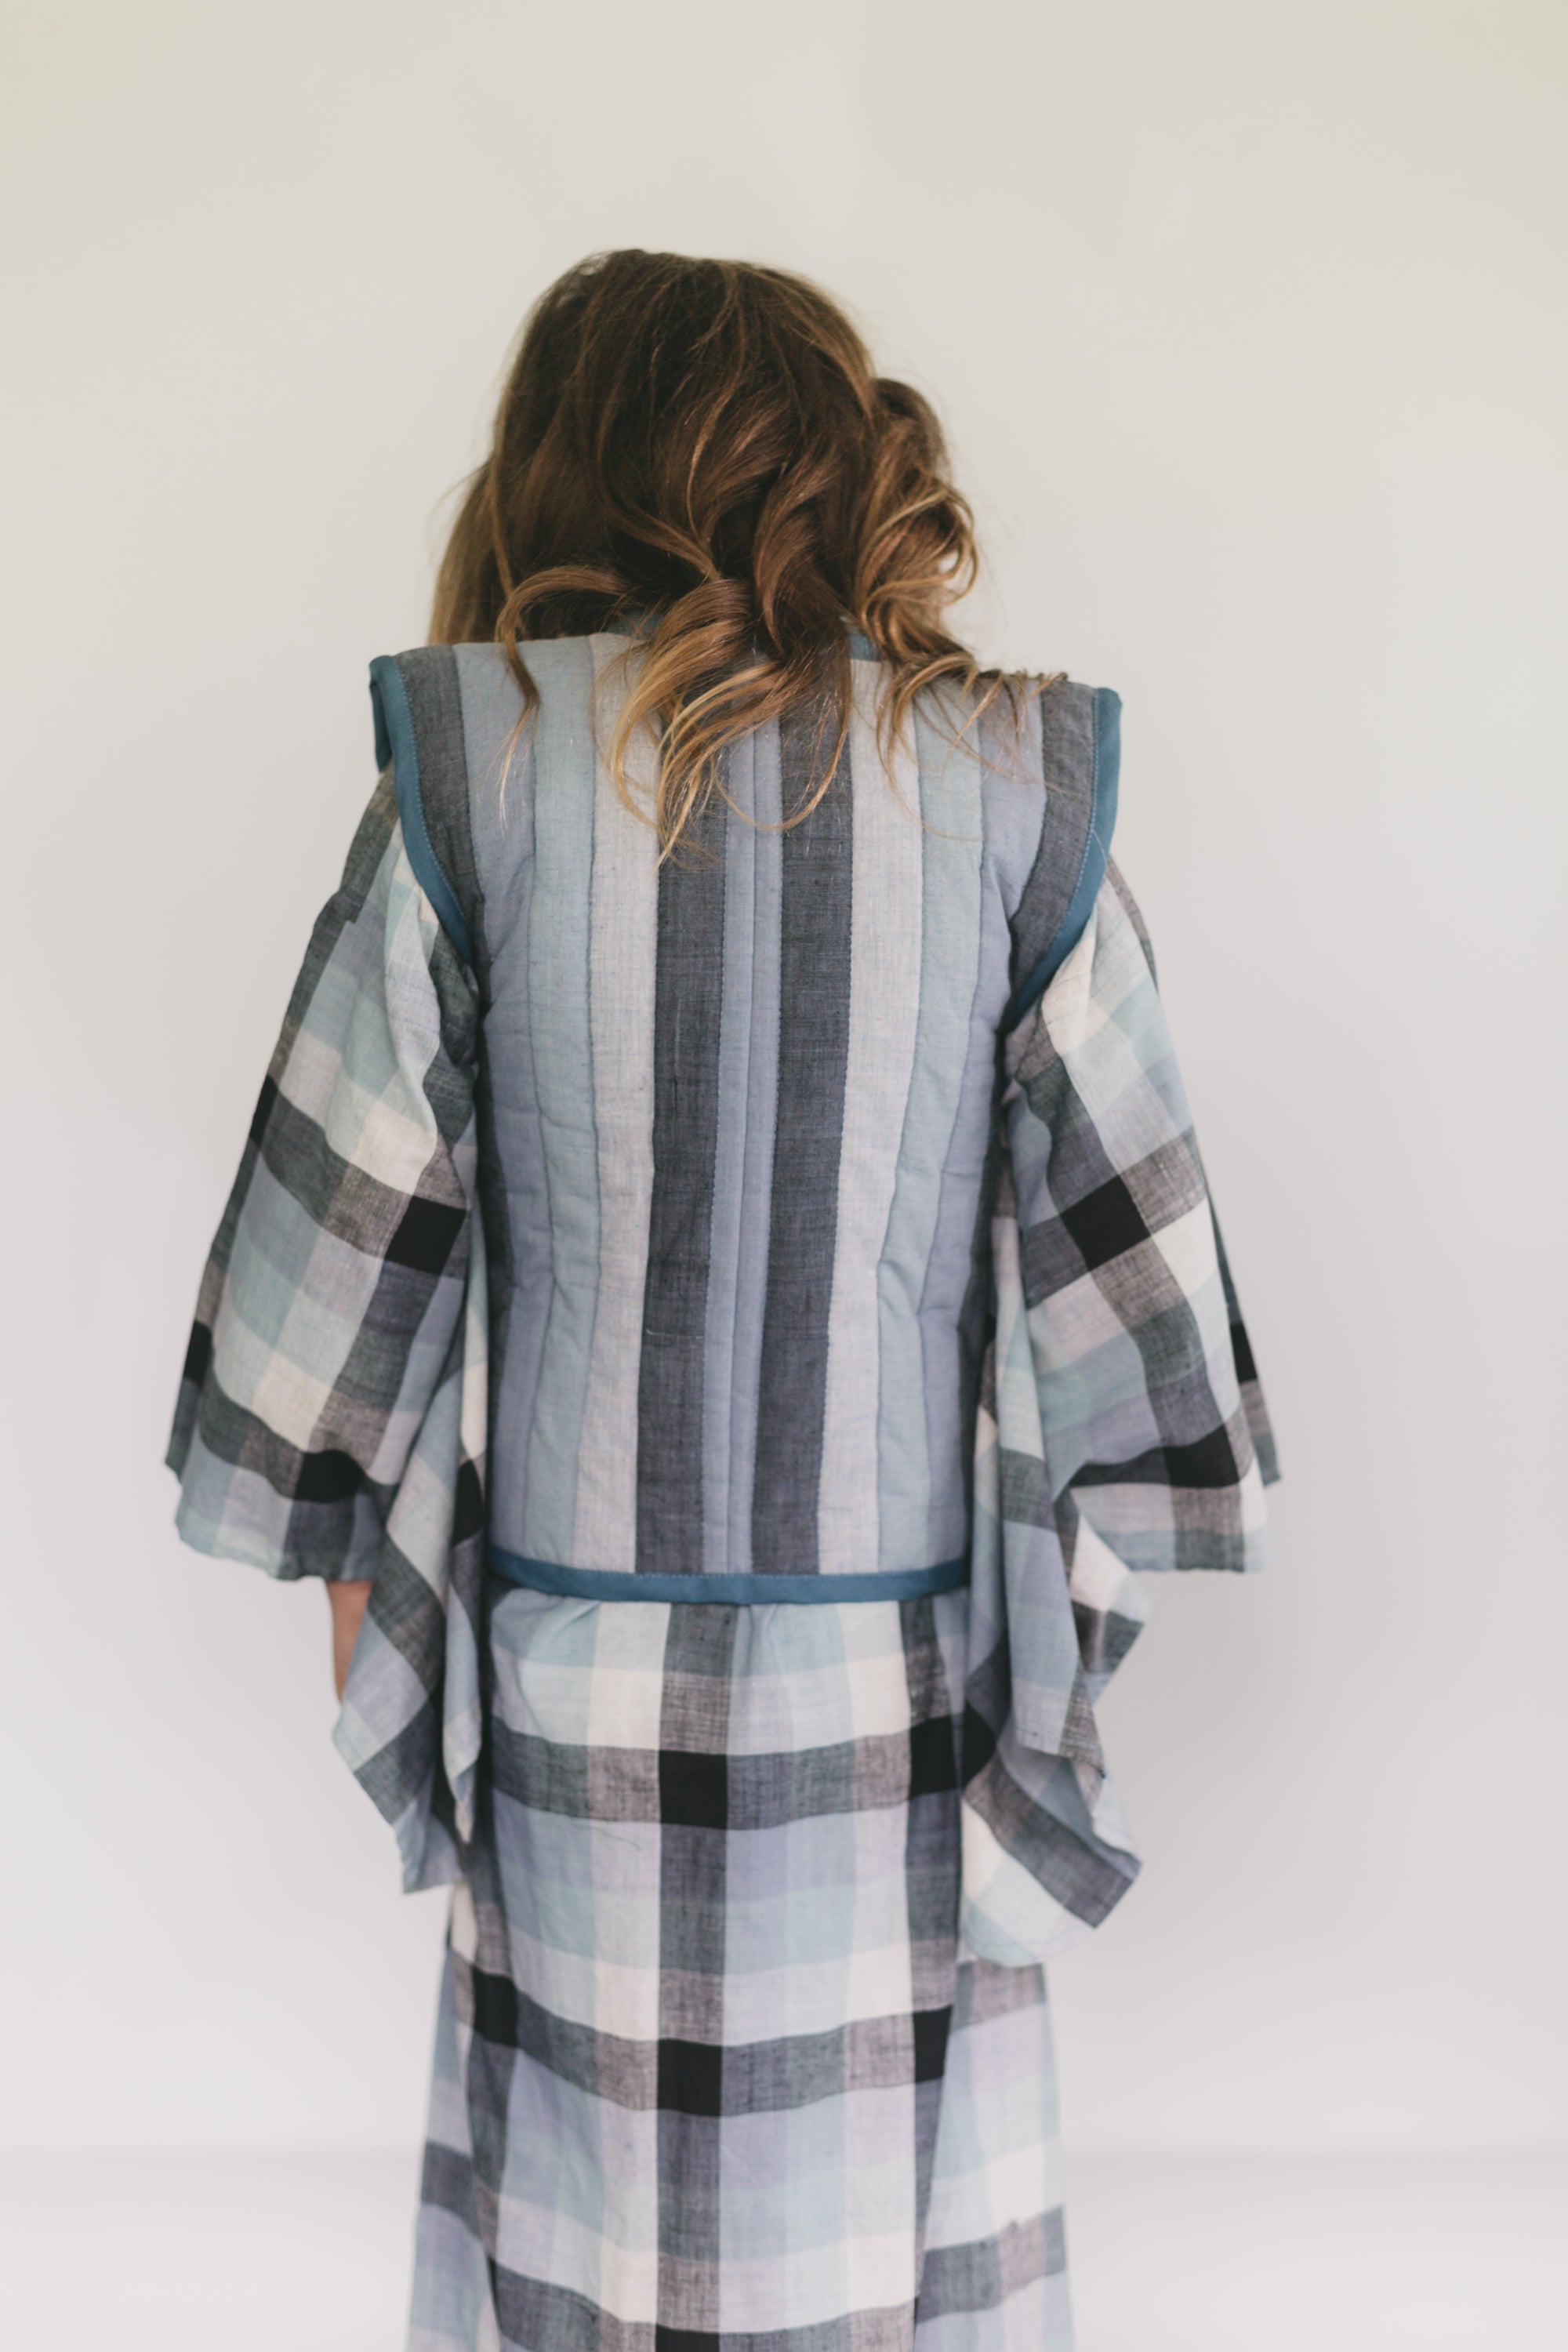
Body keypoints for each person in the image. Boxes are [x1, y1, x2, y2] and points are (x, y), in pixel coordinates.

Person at [168, 249, 1276, 2352]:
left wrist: (408, 1643)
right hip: (906, 1706)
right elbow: (1148, 1360)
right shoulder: (1015, 794)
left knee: (579, 2270)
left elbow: (309, 1371)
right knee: (903, 2256)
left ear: (554, 470)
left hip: (577, 1687)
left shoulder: (469, 780)